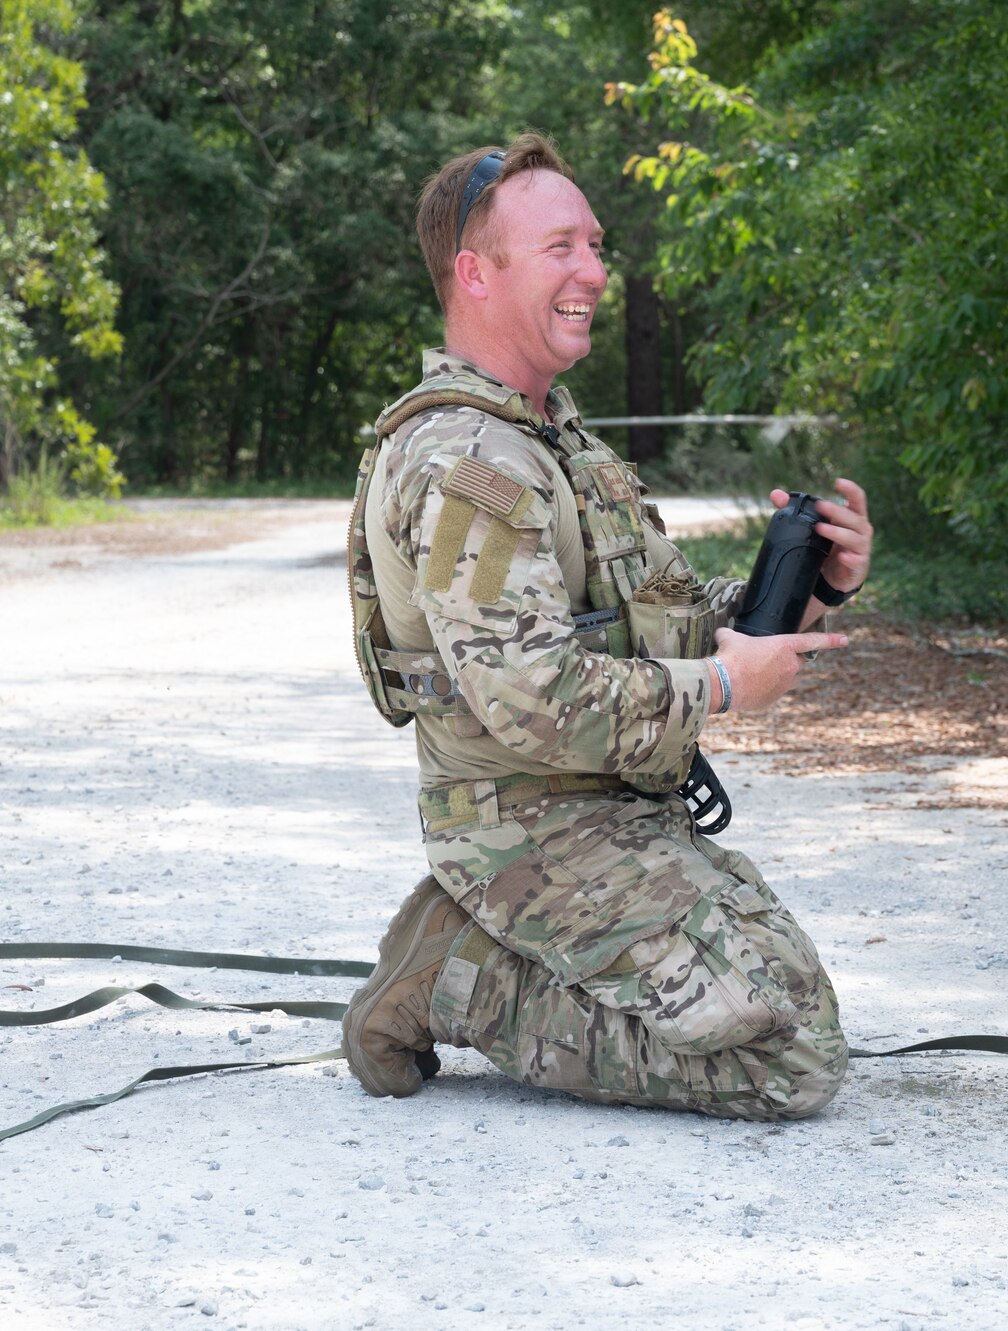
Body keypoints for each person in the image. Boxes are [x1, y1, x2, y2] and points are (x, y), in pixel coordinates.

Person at [338, 132, 870, 1119]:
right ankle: (454, 973)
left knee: (790, 1005)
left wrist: (804, 588)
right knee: (788, 1060)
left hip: (616, 810)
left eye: (594, 244)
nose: (593, 270)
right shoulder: (471, 465)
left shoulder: (552, 434)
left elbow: (648, 623)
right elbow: (535, 698)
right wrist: (722, 687)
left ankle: (480, 949)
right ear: (476, 273)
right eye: (559, 248)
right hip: (530, 828)